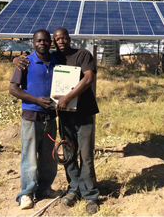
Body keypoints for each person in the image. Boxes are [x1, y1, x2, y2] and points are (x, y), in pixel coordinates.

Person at [14, 27, 100, 214]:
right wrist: (17, 59)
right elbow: (34, 59)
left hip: (84, 113)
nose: (61, 41)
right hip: (64, 114)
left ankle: (90, 195)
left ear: (69, 39)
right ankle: (73, 189)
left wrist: (67, 97)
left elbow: (89, 78)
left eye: (64, 38)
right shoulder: (54, 58)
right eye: (57, 39)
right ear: (54, 41)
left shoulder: (82, 55)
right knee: (68, 153)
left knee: (85, 155)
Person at [9, 29, 59, 210]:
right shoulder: (25, 62)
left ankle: (44, 188)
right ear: (33, 42)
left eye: (46, 41)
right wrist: (36, 100)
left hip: (50, 117)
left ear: (50, 43)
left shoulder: (56, 61)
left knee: (48, 156)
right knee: (29, 157)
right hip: (31, 116)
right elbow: (13, 89)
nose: (43, 43)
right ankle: (26, 194)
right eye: (39, 41)